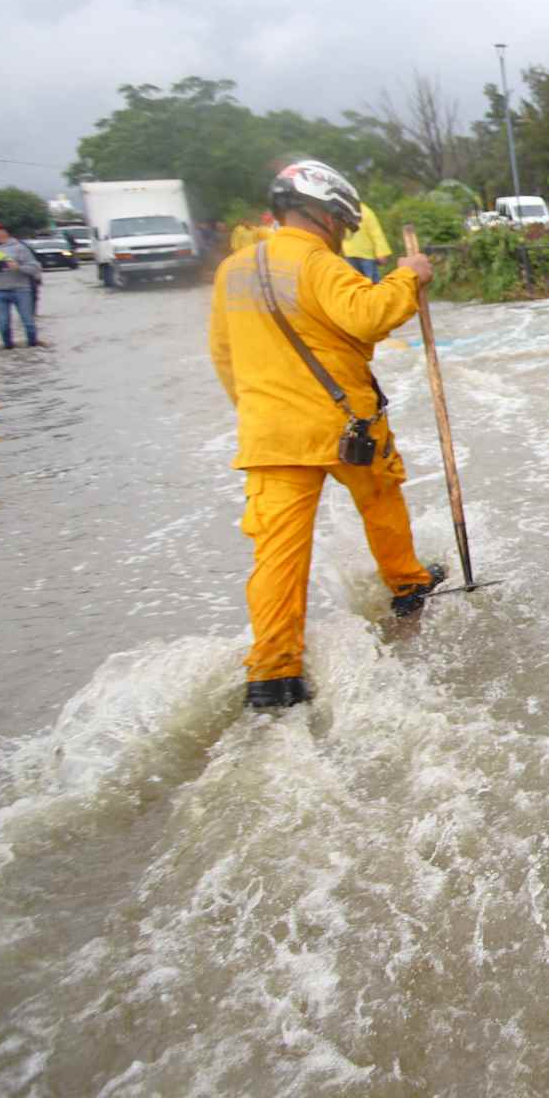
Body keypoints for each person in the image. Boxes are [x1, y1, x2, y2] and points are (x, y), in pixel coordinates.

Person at [208, 159, 442, 710]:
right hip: (346, 427)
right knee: (381, 499)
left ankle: (273, 673)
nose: (341, 233)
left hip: (269, 434)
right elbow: (368, 315)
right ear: (328, 214)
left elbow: (222, 354)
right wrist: (411, 275)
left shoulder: (231, 270)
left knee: (278, 554)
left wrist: (259, 411)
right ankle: (407, 586)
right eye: (342, 222)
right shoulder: (317, 263)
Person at [343, 203, 395, 282]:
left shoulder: (366, 212)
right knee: (353, 284)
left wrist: (381, 253)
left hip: (367, 257)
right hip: (349, 255)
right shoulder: (342, 211)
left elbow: (376, 234)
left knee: (372, 284)